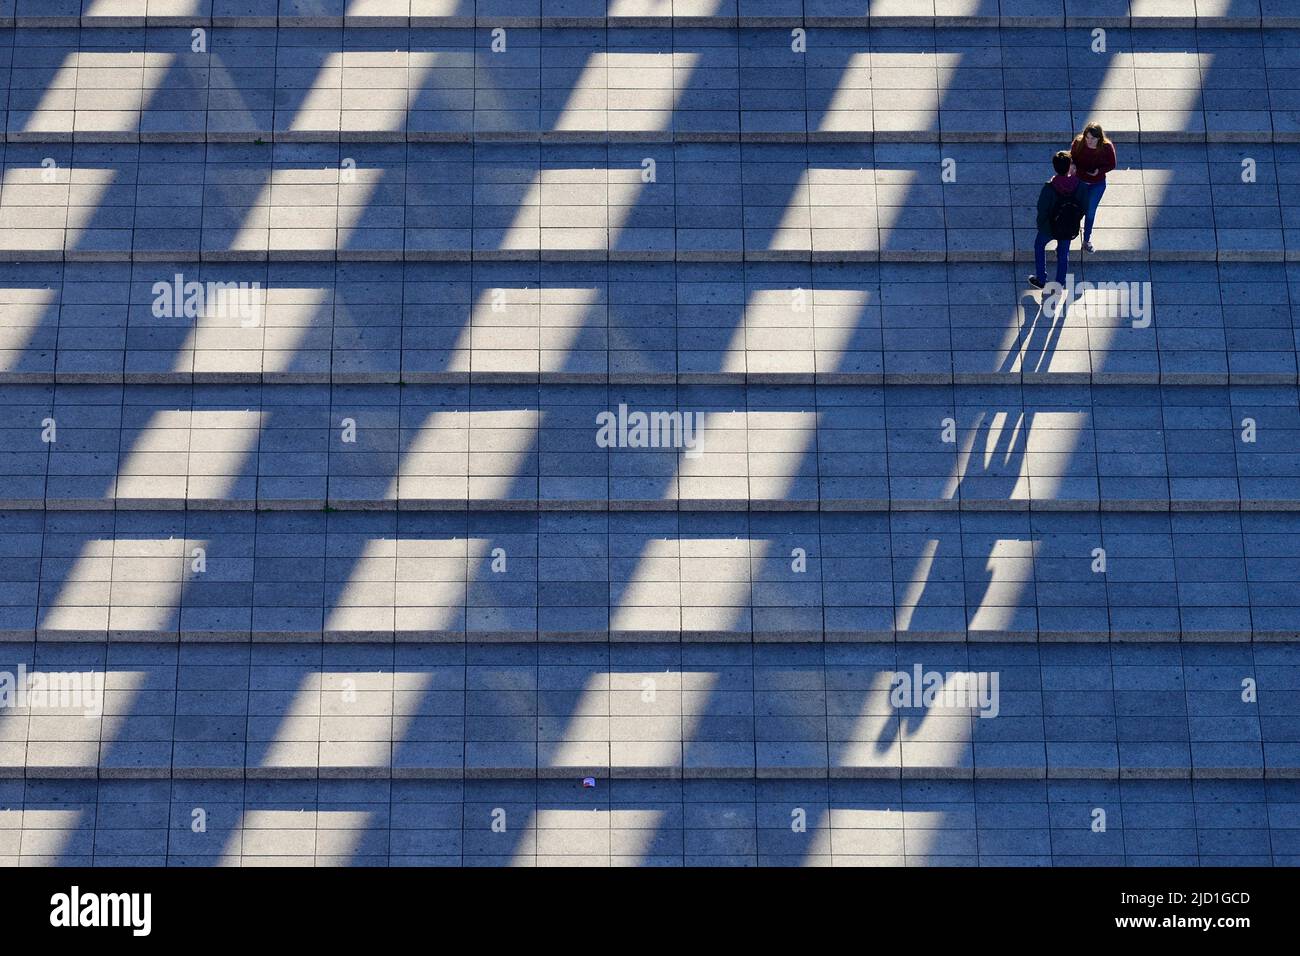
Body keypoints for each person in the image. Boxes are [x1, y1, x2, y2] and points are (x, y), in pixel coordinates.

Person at [1027, 150, 1084, 290]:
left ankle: (1041, 279)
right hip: (1068, 226)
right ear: (1069, 167)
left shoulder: (1049, 188)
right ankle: (1059, 283)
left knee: (1039, 245)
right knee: (1064, 253)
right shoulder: (1078, 185)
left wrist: (1042, 225)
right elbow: (1083, 206)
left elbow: (1042, 209)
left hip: (1049, 227)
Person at [1070, 122, 1116, 253]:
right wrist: (1072, 166)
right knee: (1075, 211)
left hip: (1097, 184)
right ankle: (1065, 239)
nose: (1089, 141)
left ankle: (1086, 241)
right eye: (1087, 137)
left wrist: (1099, 171)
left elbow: (1112, 164)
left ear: (1099, 138)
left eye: (1093, 138)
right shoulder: (1078, 143)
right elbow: (1071, 158)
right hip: (1079, 182)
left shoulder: (1106, 147)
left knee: (1090, 212)